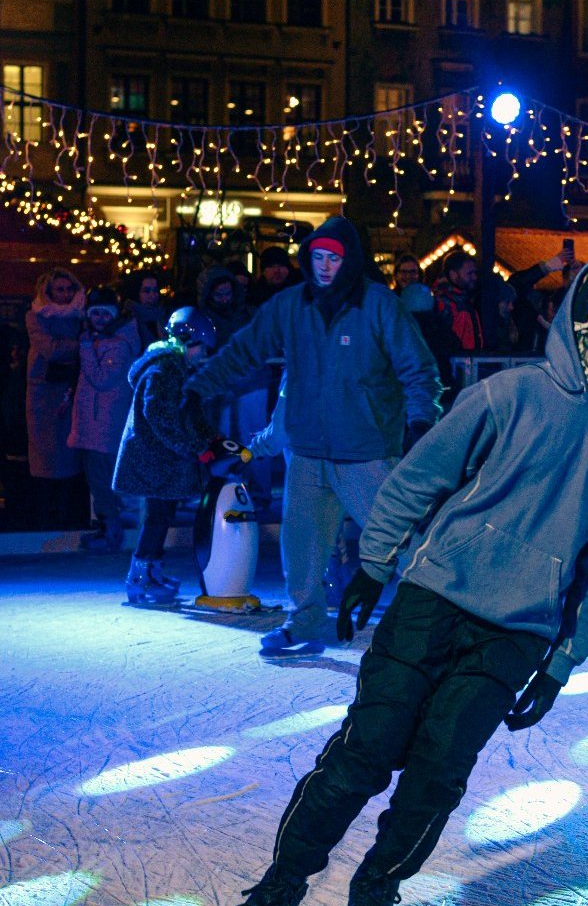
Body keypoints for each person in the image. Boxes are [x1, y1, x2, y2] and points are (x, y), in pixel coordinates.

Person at [228, 252, 588, 906]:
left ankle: (381, 880)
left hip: (513, 634)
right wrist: (374, 564)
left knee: (437, 775)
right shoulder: (510, 394)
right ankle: (282, 882)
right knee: (364, 756)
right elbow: (420, 477)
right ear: (579, 311)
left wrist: (560, 664)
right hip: (434, 601)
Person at [184, 216, 441, 657]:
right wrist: (198, 387)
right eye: (318, 257)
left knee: (401, 541)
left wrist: (420, 423)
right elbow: (245, 350)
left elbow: (419, 370)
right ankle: (305, 623)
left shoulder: (378, 305)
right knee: (301, 546)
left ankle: (441, 621)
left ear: (350, 260)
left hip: (366, 453)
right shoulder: (290, 306)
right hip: (306, 454)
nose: (324, 267)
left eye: (334, 258)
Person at [113, 307, 229, 605]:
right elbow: (160, 416)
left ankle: (150, 571)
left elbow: (188, 411)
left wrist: (210, 438)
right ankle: (139, 576)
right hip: (155, 459)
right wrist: (194, 447)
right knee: (157, 518)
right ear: (187, 340)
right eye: (201, 347)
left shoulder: (175, 369)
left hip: (161, 460)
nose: (203, 354)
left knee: (161, 516)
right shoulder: (164, 369)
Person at [68, 286, 144, 552]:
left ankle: (112, 531)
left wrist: (86, 347)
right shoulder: (101, 339)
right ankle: (106, 527)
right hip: (94, 423)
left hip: (105, 426)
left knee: (101, 478)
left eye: (104, 313)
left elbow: (102, 379)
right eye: (95, 313)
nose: (99, 318)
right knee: (97, 478)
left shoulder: (118, 344)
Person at [24, 267, 87, 528]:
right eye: (59, 289)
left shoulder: (82, 316)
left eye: (68, 289)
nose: (65, 294)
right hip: (45, 392)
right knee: (46, 455)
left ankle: (64, 517)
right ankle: (44, 519)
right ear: (47, 292)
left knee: (70, 455)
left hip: (72, 388)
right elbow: (50, 350)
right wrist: (81, 346)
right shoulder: (36, 315)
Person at [433, 250, 484, 353]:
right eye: (469, 273)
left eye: (475, 273)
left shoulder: (466, 299)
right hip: (458, 363)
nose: (474, 277)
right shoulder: (443, 302)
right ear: (453, 275)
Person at [125, 270, 169, 347]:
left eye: (155, 290)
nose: (152, 295)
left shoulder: (164, 316)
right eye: (146, 291)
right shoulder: (129, 321)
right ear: (136, 293)